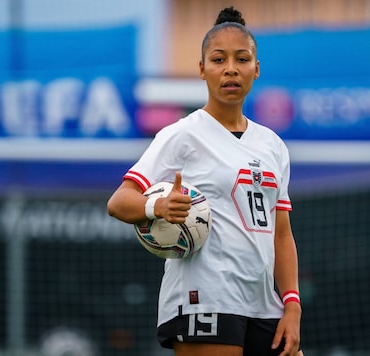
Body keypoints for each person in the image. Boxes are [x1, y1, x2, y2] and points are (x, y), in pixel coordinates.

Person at [107, 6, 303, 356]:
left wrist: (292, 304)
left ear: (256, 69)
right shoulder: (182, 135)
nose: (230, 68)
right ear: (201, 69)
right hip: (204, 297)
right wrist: (159, 206)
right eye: (218, 59)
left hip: (264, 306)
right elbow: (119, 202)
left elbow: (282, 233)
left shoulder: (273, 145)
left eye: (241, 59)